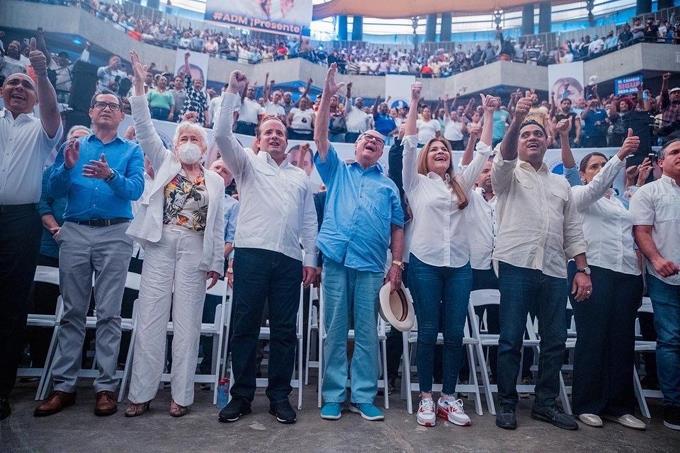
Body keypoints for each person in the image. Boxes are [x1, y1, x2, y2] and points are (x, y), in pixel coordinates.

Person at [124, 52, 224, 418]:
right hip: (161, 243)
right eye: (183, 135)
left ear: (204, 143)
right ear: (177, 142)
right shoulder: (165, 160)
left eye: (195, 136)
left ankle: (181, 395)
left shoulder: (214, 179)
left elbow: (218, 226)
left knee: (187, 323)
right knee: (150, 317)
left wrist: (216, 262)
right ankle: (141, 393)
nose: (188, 140)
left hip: (196, 250)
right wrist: (139, 86)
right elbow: (145, 126)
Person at [215, 70, 318, 425]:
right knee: (244, 327)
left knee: (285, 331)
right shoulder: (245, 165)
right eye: (268, 132)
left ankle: (279, 397)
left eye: (280, 132)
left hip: (289, 260)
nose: (274, 136)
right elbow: (220, 135)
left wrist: (310, 258)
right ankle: (240, 396)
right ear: (258, 140)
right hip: (251, 254)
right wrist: (232, 91)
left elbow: (308, 222)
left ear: (287, 142)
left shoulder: (298, 177)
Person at [34, 87, 143, 417]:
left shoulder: (132, 149)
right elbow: (51, 190)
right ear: (91, 112)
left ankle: (105, 387)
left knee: (109, 313)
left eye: (114, 106)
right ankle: (63, 386)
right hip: (77, 232)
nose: (107, 109)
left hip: (115, 233)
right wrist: (66, 168)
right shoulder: (74, 146)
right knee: (72, 312)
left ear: (122, 115)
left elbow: (135, 188)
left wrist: (110, 175)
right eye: (101, 105)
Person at [492, 94, 592, 431]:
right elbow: (504, 156)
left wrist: (582, 269)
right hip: (516, 265)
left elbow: (573, 230)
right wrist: (516, 121)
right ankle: (506, 404)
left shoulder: (561, 183)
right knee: (510, 339)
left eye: (538, 134)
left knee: (555, 341)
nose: (532, 138)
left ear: (548, 141)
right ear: (517, 141)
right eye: (525, 135)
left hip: (553, 270)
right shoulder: (506, 173)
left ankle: (545, 405)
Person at [315, 64, 404, 422]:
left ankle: (364, 395)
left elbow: (398, 227)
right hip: (336, 260)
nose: (372, 142)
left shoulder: (388, 187)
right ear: (356, 145)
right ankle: (334, 395)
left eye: (378, 142)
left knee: (367, 334)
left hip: (370, 266)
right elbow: (320, 137)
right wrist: (327, 97)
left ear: (381, 153)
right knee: (335, 331)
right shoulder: (337, 169)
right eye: (367, 139)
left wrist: (395, 266)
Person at [403, 83, 495, 428]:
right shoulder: (414, 181)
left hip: (460, 267)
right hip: (424, 264)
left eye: (445, 149)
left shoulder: (462, 183)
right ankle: (426, 397)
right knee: (427, 331)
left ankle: (448, 398)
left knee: (454, 333)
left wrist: (488, 113)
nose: (440, 151)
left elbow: (484, 151)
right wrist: (414, 103)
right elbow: (410, 142)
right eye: (435, 148)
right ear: (427, 157)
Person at [566, 128, 646, 430]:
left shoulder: (619, 202)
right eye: (594, 166)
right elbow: (596, 187)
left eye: (604, 165)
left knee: (622, 341)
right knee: (593, 338)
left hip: (626, 274)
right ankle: (587, 403)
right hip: (593, 272)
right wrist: (619, 155)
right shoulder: (579, 195)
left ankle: (619, 405)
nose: (600, 170)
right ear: (584, 174)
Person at [0, 39, 62, 421]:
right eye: (13, 83)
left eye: (27, 85)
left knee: (10, 306)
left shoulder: (41, 128)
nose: (19, 88)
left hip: (21, 222)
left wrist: (43, 75)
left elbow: (53, 111)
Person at [631, 138, 680, 431]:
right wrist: (656, 259)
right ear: (661, 162)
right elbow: (641, 231)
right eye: (675, 152)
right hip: (666, 278)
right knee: (672, 340)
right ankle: (674, 405)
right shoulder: (649, 192)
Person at [180, 53, 208, 127]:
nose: (198, 81)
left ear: (202, 85)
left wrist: (207, 121)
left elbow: (205, 109)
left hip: (198, 120)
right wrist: (186, 59)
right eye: (196, 81)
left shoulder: (203, 95)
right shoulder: (189, 89)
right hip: (186, 117)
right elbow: (188, 74)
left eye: (200, 81)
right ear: (193, 82)